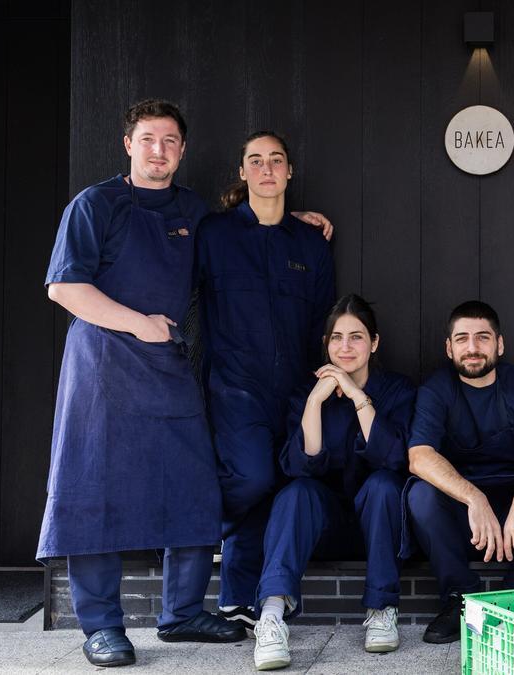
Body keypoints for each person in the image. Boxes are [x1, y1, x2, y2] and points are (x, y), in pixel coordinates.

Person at [37, 99, 246, 667]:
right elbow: (65, 288)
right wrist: (139, 323)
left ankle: (181, 614)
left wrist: (291, 221)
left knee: (194, 484)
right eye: (149, 139)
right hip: (101, 365)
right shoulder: (94, 204)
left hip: (168, 364)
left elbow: (237, 240)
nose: (160, 150)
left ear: (183, 150)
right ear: (128, 144)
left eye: (171, 141)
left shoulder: (193, 210)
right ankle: (102, 626)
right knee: (93, 492)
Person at [195, 131, 338, 633]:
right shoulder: (213, 233)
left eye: (276, 159)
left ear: (290, 171)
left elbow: (324, 319)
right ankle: (216, 565)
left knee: (285, 483)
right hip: (235, 386)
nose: (267, 168)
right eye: (255, 160)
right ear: (243, 173)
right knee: (252, 478)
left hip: (297, 389)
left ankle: (248, 600)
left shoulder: (310, 245)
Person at [249, 295, 415, 669]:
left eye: (356, 337)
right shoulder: (306, 394)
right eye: (336, 337)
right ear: (325, 344)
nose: (345, 347)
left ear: (374, 343)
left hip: (383, 526)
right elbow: (301, 466)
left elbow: (393, 456)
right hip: (325, 527)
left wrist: (357, 396)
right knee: (296, 492)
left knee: (385, 483)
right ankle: (272, 616)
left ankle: (381, 608)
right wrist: (314, 404)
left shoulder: (398, 391)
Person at [403, 301, 514, 644]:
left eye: (483, 338)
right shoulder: (437, 389)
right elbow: (419, 456)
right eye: (462, 338)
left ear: (499, 344)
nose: (472, 348)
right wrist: (474, 497)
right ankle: (459, 600)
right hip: (463, 511)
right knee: (420, 495)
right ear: (449, 347)